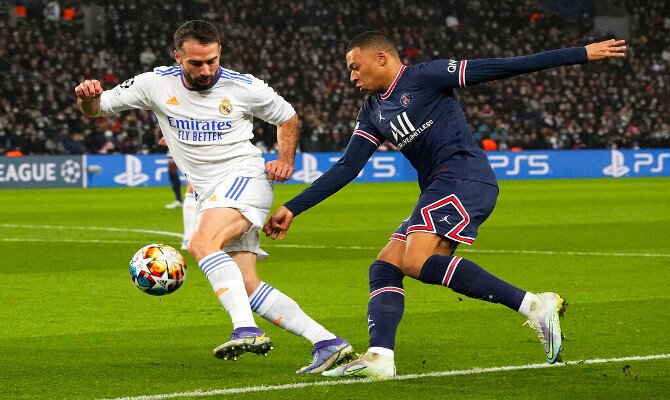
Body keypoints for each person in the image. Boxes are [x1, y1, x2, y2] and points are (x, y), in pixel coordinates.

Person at [264, 31, 626, 378]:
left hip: (465, 179)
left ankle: (533, 305)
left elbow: (507, 65)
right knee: (385, 266)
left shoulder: (427, 77)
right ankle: (380, 357)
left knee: (414, 261)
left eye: (355, 67)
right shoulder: (373, 110)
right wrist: (294, 207)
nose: (351, 76)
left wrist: (580, 53)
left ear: (382, 57)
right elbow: (347, 167)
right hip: (439, 188)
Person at [75, 20, 353, 374]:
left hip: (244, 177)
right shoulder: (154, 84)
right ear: (178, 57)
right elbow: (96, 109)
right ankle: (327, 342)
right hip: (211, 193)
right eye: (196, 63)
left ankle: (246, 329)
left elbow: (287, 116)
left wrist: (285, 160)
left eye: (213, 61)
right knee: (247, 286)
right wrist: (87, 97)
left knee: (201, 242)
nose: (206, 70)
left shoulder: (243, 86)